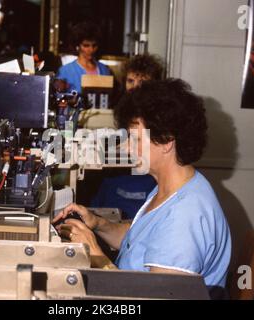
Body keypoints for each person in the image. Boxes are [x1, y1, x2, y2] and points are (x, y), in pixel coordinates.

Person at [53, 79, 232, 291]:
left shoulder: (186, 216)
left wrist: (95, 256)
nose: (126, 148)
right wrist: (99, 224)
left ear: (166, 141)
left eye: (135, 139)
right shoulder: (172, 186)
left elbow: (153, 298)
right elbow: (138, 243)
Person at [90, 54, 165, 220]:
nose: (135, 87)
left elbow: (141, 145)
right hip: (127, 171)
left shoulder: (157, 112)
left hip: (145, 178)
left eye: (142, 82)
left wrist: (111, 149)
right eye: (130, 81)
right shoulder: (127, 106)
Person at [56, 21, 111, 93]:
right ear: (77, 46)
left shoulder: (104, 70)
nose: (91, 49)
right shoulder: (65, 71)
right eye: (86, 45)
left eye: (94, 45)